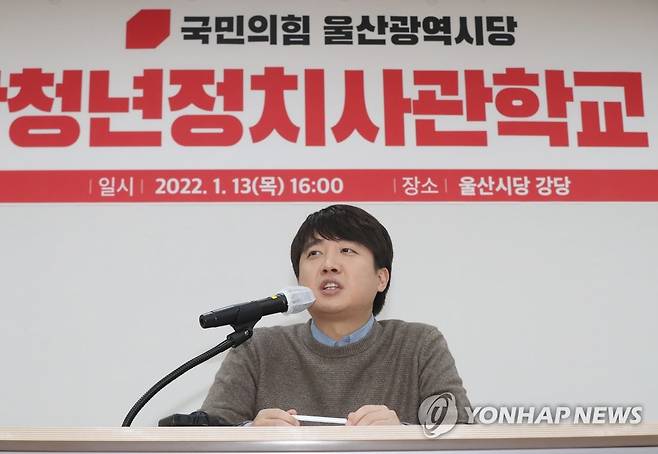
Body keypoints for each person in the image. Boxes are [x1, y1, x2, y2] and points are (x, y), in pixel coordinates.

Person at [200, 204, 470, 426]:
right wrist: (250, 434)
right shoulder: (256, 348)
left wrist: (402, 433)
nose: (329, 265)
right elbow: (205, 434)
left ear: (381, 278)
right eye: (314, 253)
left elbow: (462, 433)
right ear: (299, 281)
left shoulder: (419, 344)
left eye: (346, 251)